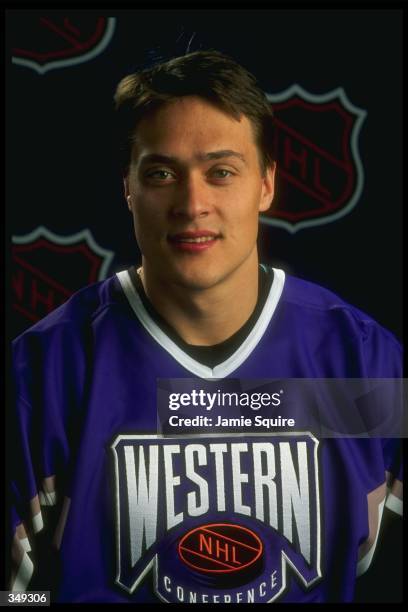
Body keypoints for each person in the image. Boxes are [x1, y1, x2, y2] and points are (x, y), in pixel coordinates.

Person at [10, 50, 402, 603]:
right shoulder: (46, 372)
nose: (193, 204)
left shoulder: (362, 363)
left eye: (221, 172)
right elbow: (16, 597)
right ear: (128, 188)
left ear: (265, 184)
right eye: (163, 173)